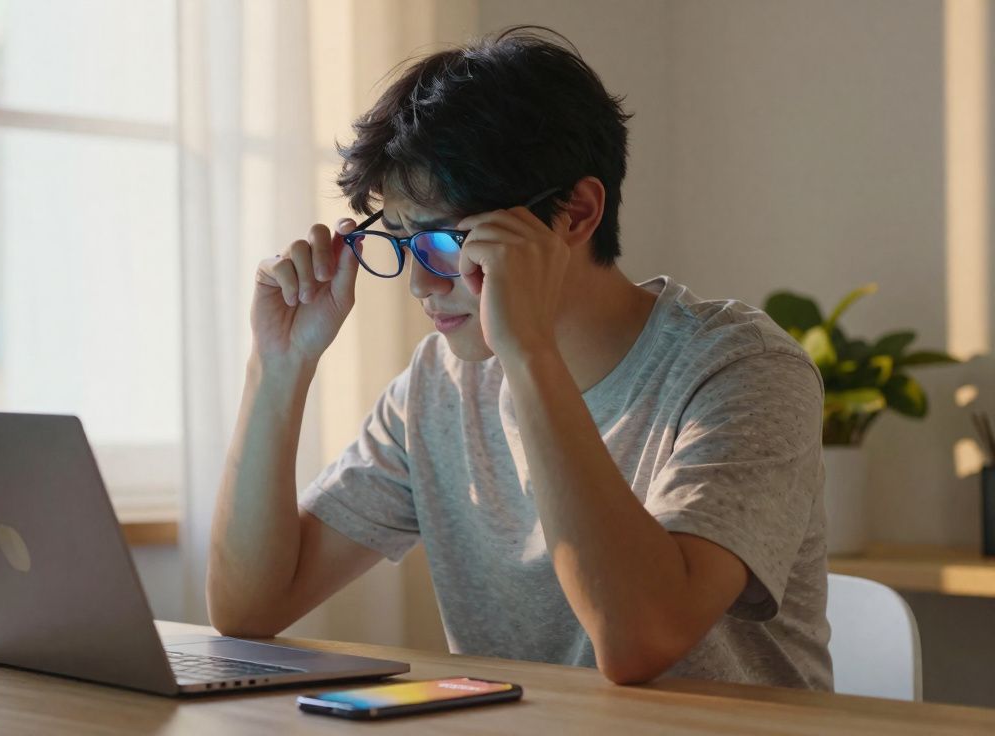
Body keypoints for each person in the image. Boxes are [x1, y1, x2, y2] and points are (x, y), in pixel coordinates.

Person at [206, 26, 831, 689]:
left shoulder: (744, 371)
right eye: (400, 243)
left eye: (444, 243)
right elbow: (249, 608)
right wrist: (277, 366)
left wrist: (529, 353)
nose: (420, 283)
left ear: (576, 213)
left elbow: (640, 639)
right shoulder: (436, 386)